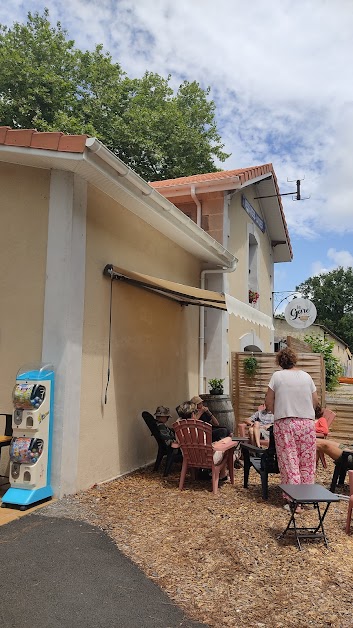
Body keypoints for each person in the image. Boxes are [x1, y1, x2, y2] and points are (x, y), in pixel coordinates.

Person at [265, 347, 318, 512]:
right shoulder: (307, 376)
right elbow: (315, 402)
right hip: (307, 424)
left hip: (285, 424)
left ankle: (295, 502)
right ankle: (306, 497)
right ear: (294, 360)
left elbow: (268, 402)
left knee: (290, 462)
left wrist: (278, 410)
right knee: (307, 462)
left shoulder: (277, 376)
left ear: (280, 362)